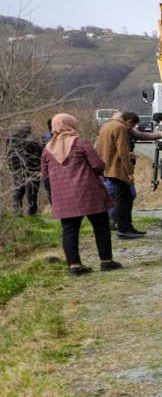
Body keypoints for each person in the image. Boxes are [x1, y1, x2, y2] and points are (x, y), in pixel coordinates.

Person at [40, 113, 121, 276]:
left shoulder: (47, 150)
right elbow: (98, 166)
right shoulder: (80, 143)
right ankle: (106, 262)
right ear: (70, 124)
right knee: (101, 226)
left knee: (69, 230)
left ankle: (75, 266)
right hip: (88, 192)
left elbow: (45, 176)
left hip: (63, 196)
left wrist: (52, 196)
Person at [95, 111, 162, 238]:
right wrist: (130, 172)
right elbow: (123, 153)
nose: (131, 129)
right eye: (132, 126)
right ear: (129, 121)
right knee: (123, 201)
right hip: (117, 170)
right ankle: (124, 230)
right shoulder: (120, 128)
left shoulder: (106, 125)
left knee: (124, 199)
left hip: (107, 168)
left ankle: (128, 227)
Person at [6, 122, 43, 215]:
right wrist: (38, 169)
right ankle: (31, 212)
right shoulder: (33, 139)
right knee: (31, 191)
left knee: (18, 190)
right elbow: (37, 155)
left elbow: (8, 155)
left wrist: (12, 168)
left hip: (17, 169)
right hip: (31, 169)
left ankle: (17, 211)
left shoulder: (11, 139)